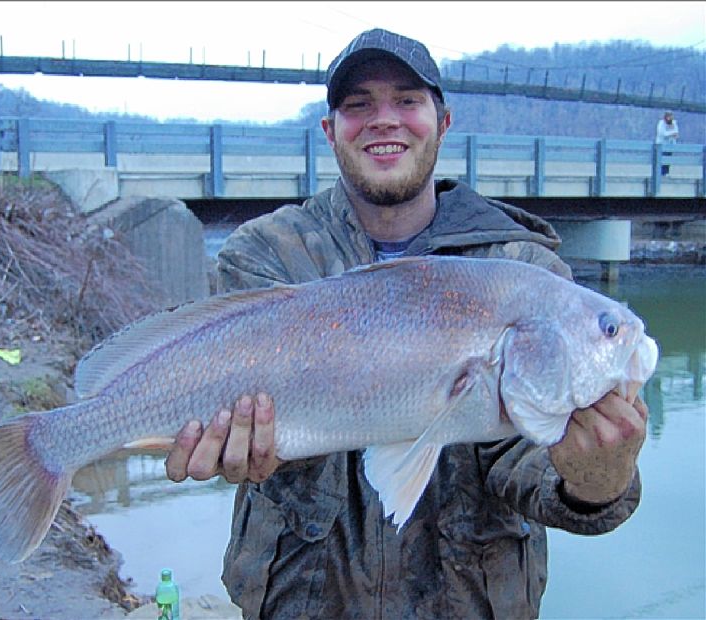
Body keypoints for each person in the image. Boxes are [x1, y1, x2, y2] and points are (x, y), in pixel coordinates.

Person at [165, 29, 648, 619]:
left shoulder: (526, 271)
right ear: (331, 131)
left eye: (407, 101)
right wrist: (243, 447)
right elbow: (244, 420)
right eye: (359, 104)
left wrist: (598, 479)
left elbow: (525, 462)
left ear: (442, 122)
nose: (384, 119)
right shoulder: (267, 253)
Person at [655, 110, 679, 176]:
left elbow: (676, 133)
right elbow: (662, 134)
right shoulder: (661, 123)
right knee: (661, 160)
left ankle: (666, 173)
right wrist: (672, 134)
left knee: (668, 160)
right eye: (668, 116)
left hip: (670, 145)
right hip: (661, 145)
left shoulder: (674, 123)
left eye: (671, 116)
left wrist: (674, 136)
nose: (670, 118)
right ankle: (660, 174)